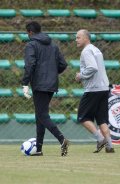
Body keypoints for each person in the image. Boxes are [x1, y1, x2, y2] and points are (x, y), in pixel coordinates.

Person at [22, 21, 70, 156]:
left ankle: (62, 139)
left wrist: (25, 83)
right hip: (51, 84)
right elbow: (63, 64)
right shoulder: (53, 45)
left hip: (39, 84)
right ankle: (39, 149)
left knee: (42, 115)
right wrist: (52, 74)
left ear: (30, 32)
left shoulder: (31, 44)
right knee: (40, 115)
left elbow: (30, 64)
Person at [75, 29, 114, 153]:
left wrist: (81, 75)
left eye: (78, 37)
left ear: (86, 38)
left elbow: (92, 68)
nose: (76, 40)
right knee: (101, 119)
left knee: (82, 117)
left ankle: (100, 139)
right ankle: (110, 146)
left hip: (93, 89)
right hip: (103, 88)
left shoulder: (86, 51)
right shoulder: (96, 49)